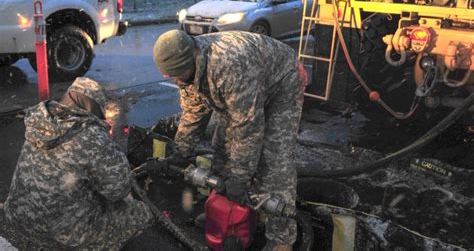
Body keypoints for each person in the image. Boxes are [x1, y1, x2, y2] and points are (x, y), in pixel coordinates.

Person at [153, 30, 306, 251]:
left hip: (282, 83)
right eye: (170, 76)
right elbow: (194, 111)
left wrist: (240, 177)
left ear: (191, 60)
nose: (174, 79)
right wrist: (181, 151)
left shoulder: (230, 65)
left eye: (176, 74)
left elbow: (248, 127)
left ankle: (281, 238)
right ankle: (223, 212)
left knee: (274, 161)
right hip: (244, 88)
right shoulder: (188, 68)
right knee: (222, 146)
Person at [4, 77, 153, 250]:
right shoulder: (91, 136)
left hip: (19, 220)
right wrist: (112, 151)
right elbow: (119, 190)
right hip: (62, 234)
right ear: (93, 106)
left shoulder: (40, 122)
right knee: (141, 213)